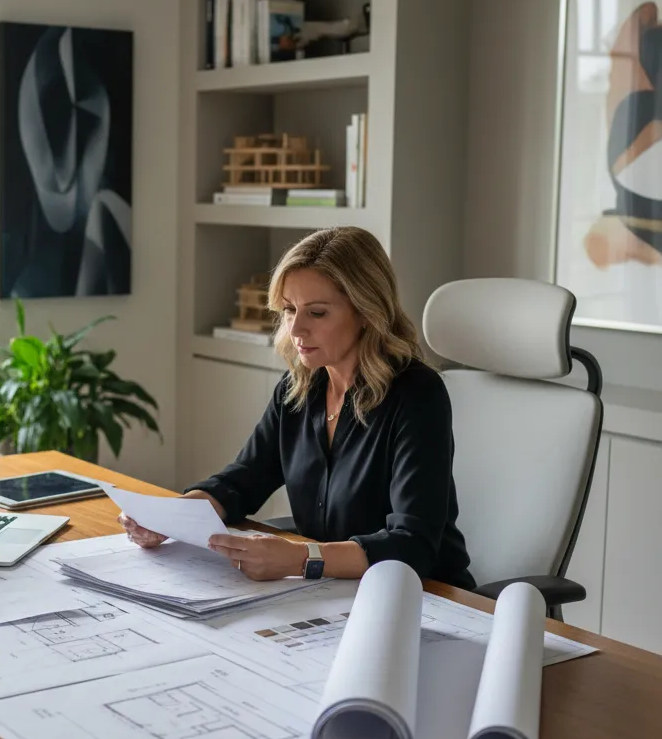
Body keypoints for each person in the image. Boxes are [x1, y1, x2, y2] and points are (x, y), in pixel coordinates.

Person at [119, 226, 475, 589]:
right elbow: (242, 481)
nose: (296, 329)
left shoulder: (417, 394)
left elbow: (413, 545)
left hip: (425, 598)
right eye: (289, 310)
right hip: (332, 592)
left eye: (317, 313)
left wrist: (299, 559)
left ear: (367, 311)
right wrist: (170, 519)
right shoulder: (301, 387)